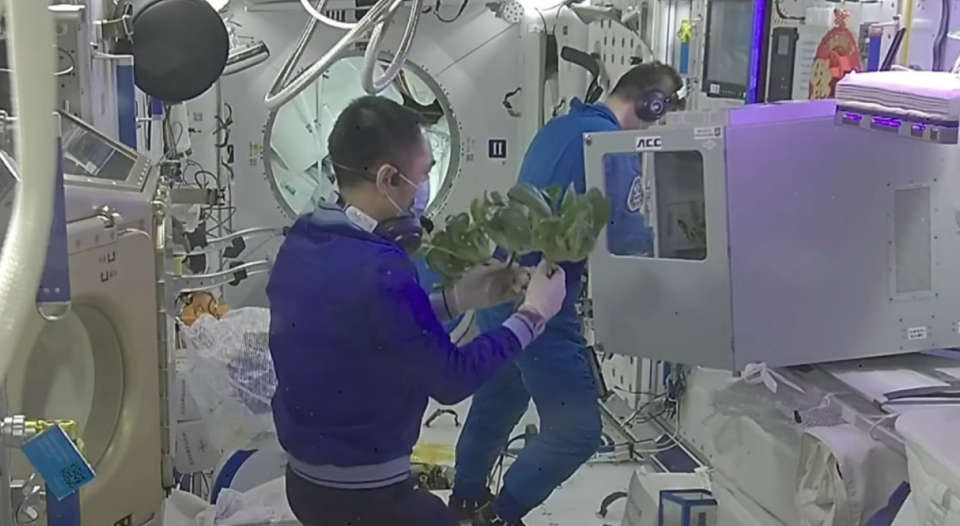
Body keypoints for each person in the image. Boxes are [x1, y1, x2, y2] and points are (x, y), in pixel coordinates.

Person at [267, 96, 568, 526]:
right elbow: (451, 379)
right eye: (423, 173)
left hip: (306, 487)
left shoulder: (306, 237)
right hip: (368, 500)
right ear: (388, 178)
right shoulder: (382, 267)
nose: (423, 187)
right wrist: (533, 316)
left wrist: (456, 299)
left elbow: (365, 329)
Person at [450, 62, 684, 525]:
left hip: (500, 285)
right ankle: (497, 517)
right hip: (541, 303)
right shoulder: (609, 145)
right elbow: (628, 239)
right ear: (650, 105)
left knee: (499, 401)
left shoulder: (561, 126)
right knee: (576, 432)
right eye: (661, 115)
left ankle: (464, 501)